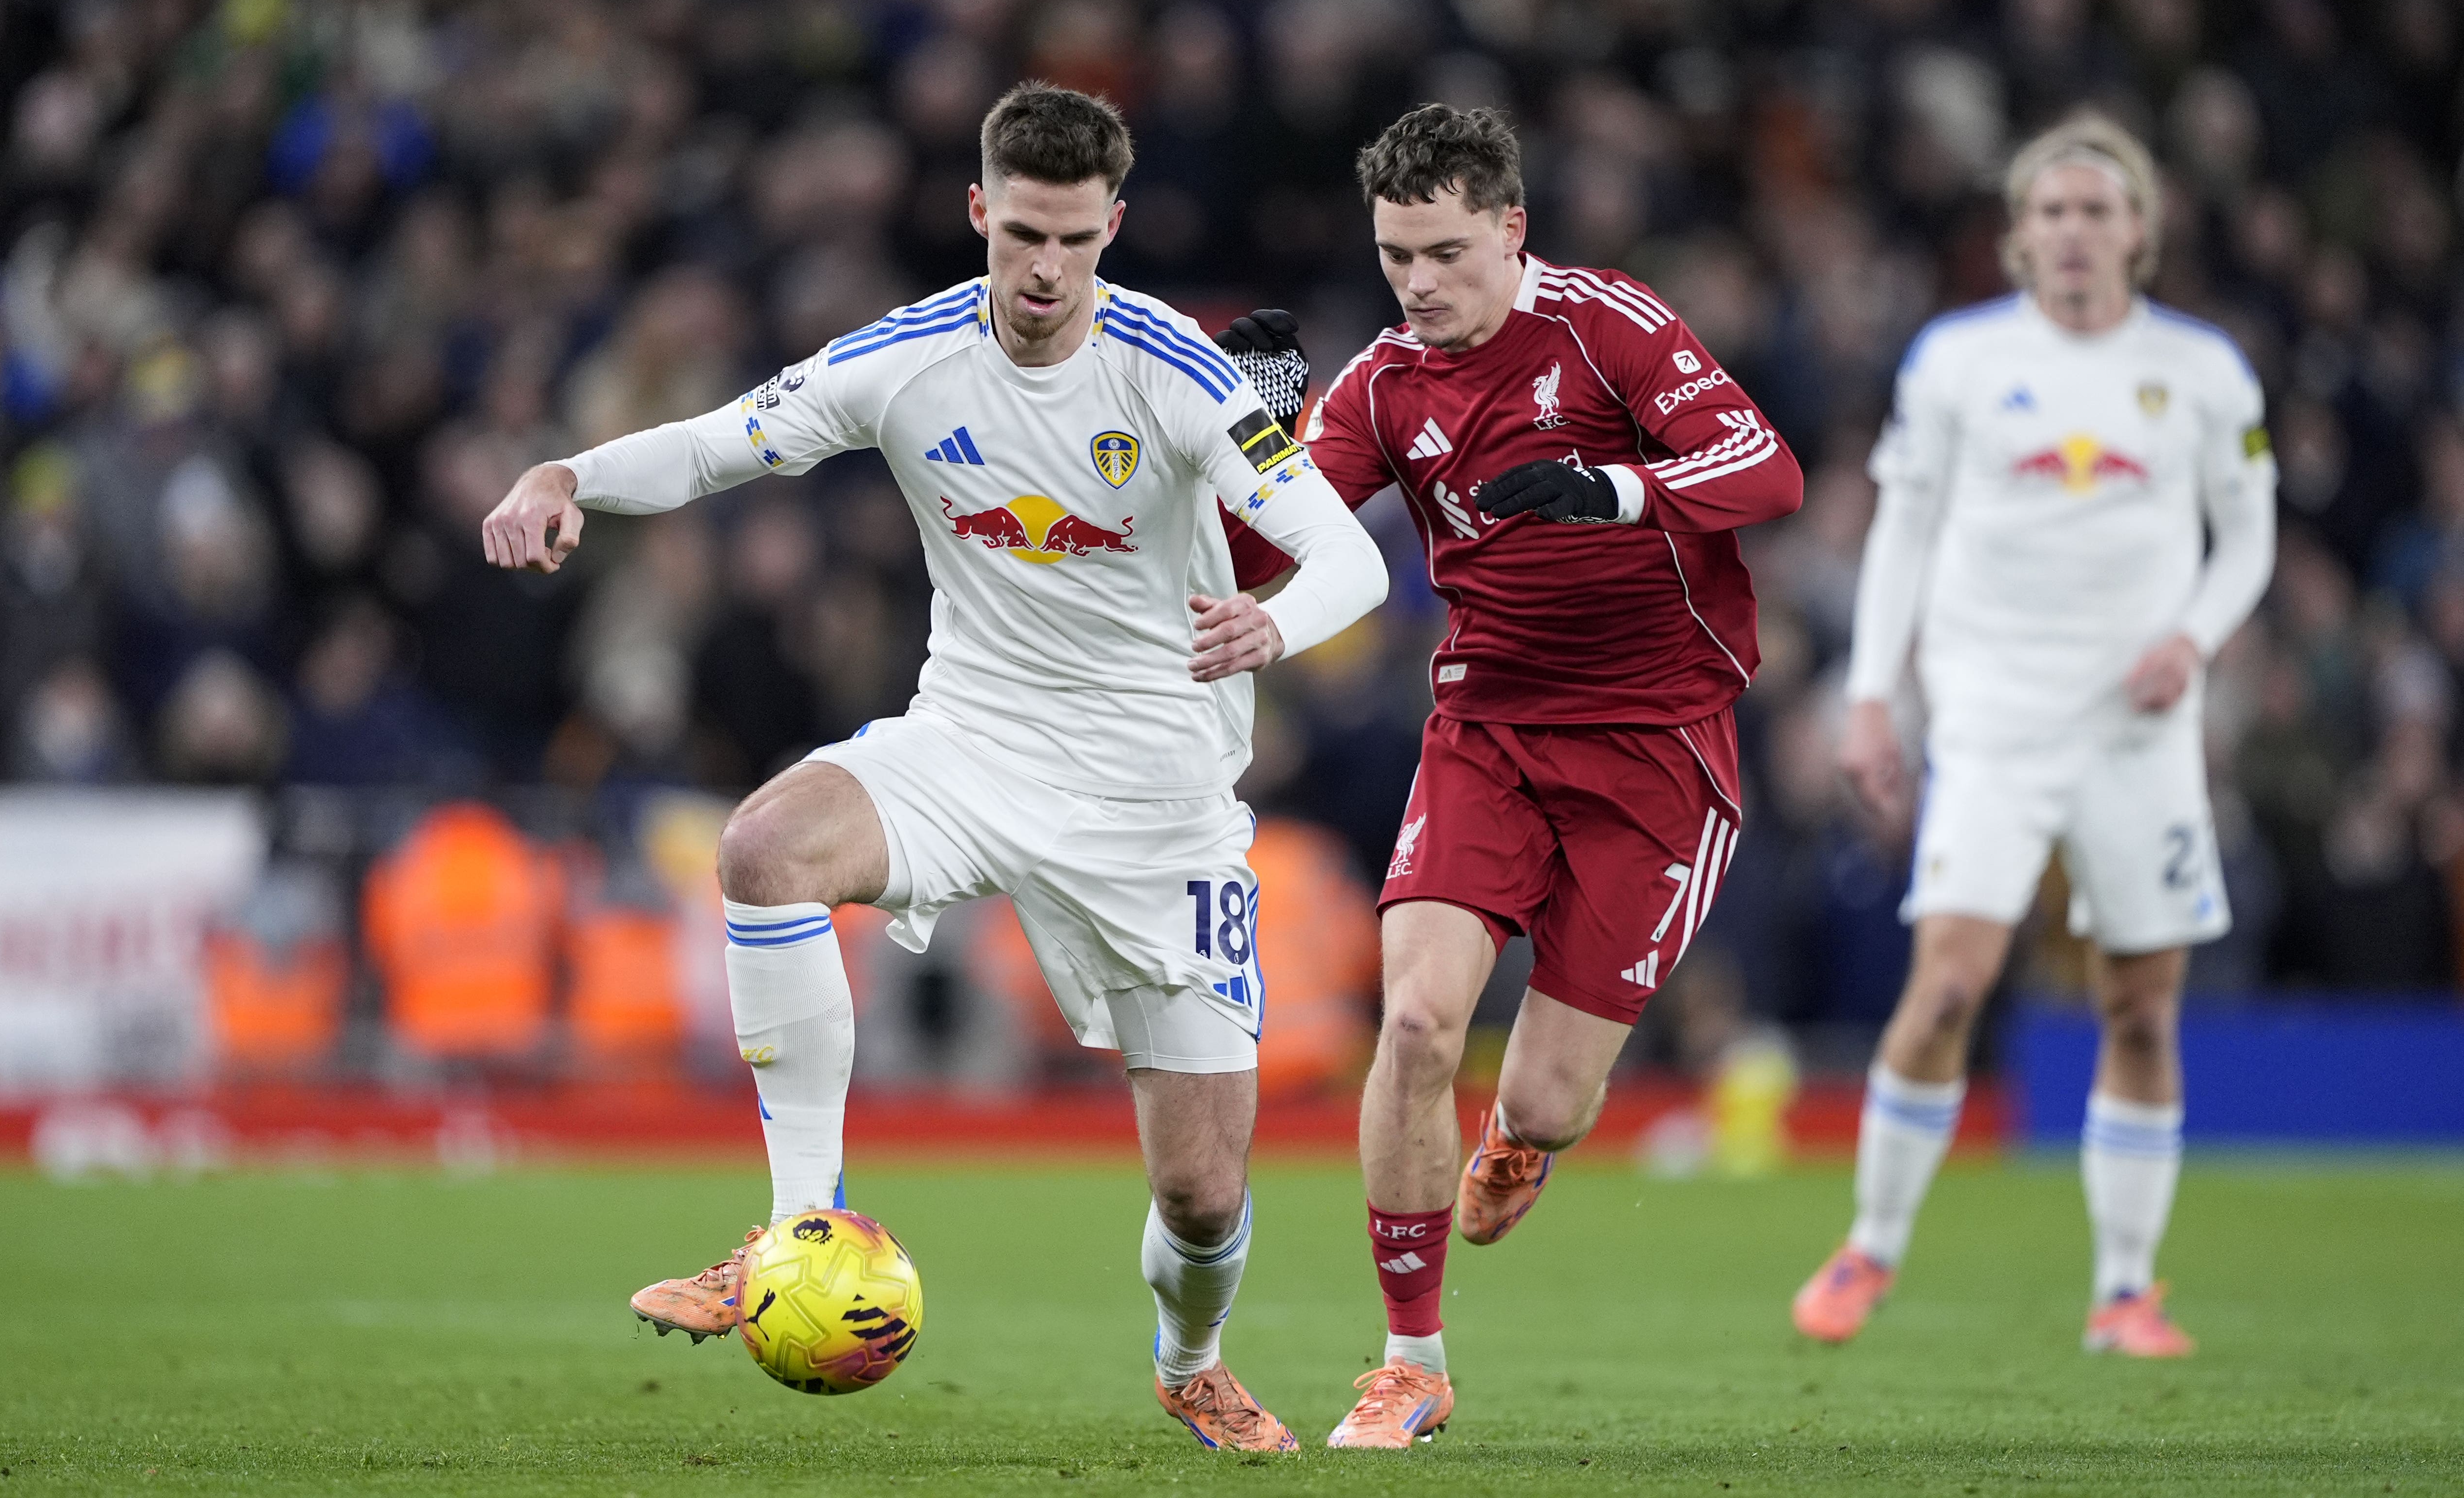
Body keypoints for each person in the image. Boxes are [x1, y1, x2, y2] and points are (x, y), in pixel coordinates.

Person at [480, 84, 1387, 1451]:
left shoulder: (1179, 371)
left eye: (1074, 240)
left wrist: (1274, 626)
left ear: (1113, 229)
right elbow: (720, 445)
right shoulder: (905, 358)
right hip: (971, 740)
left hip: (1157, 801)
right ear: (978, 212)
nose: (1045, 269)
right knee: (764, 849)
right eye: (1022, 233)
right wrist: (567, 473)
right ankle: (796, 1228)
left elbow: (1349, 559)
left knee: (1201, 1195)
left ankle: (1190, 1358)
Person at [1227, 103, 1804, 1447]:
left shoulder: (1608, 326)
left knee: (1546, 1099)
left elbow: (1767, 472)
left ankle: (1522, 1138)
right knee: (1418, 1025)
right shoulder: (1381, 384)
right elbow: (1256, 556)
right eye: (1395, 257)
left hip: (1656, 746)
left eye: (1444, 252)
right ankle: (1410, 1363)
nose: (1418, 284)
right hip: (1486, 731)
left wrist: (1615, 489)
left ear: (1510, 229)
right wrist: (1252, 428)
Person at [1791, 112, 2277, 1357]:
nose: (2072, 231)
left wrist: (2196, 638)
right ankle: (1869, 1246)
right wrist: (1870, 694)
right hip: (1993, 717)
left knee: (2142, 1010)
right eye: (2050, 211)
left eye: (2095, 210)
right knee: (1949, 984)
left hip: (2138, 730)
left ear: (2139, 230)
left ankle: (2125, 1289)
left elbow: (2249, 534)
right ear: (2019, 235)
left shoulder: (2204, 371)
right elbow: (1902, 527)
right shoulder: (1958, 358)